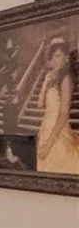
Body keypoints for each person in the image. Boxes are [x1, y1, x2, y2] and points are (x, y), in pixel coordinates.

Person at [36, 41, 79, 175]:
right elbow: (40, 104)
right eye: (52, 57)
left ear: (66, 58)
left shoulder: (66, 79)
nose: (53, 60)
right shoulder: (54, 79)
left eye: (57, 56)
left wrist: (48, 144)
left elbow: (64, 114)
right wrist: (45, 83)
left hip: (57, 133)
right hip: (45, 128)